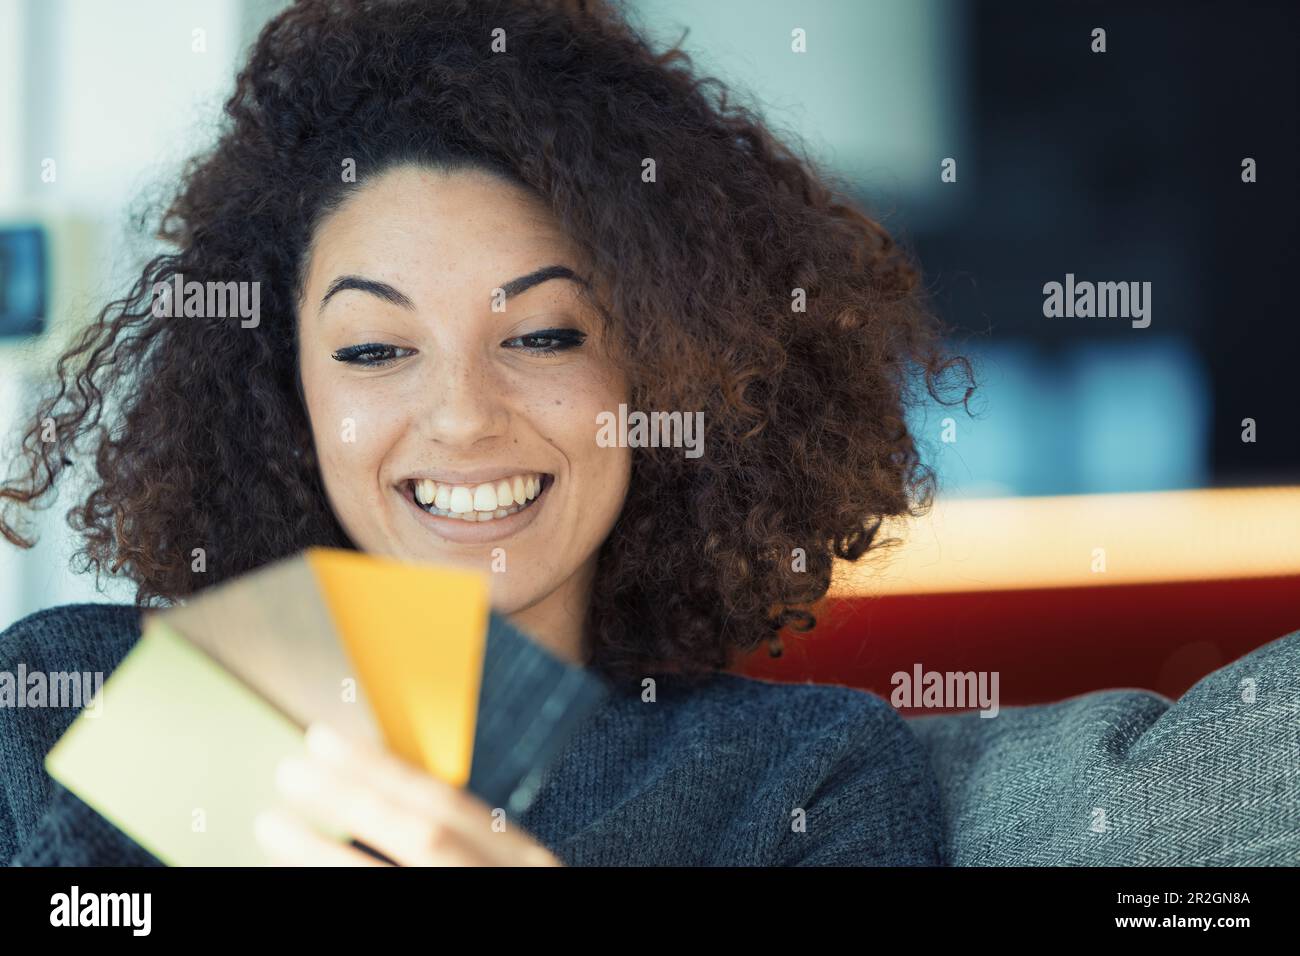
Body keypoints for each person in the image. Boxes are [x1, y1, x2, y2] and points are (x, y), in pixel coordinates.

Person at [0, 0, 975, 866]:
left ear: (665, 371)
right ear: (280, 393)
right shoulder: (62, 693)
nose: (464, 413)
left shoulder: (806, 775)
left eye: (545, 336)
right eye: (376, 348)